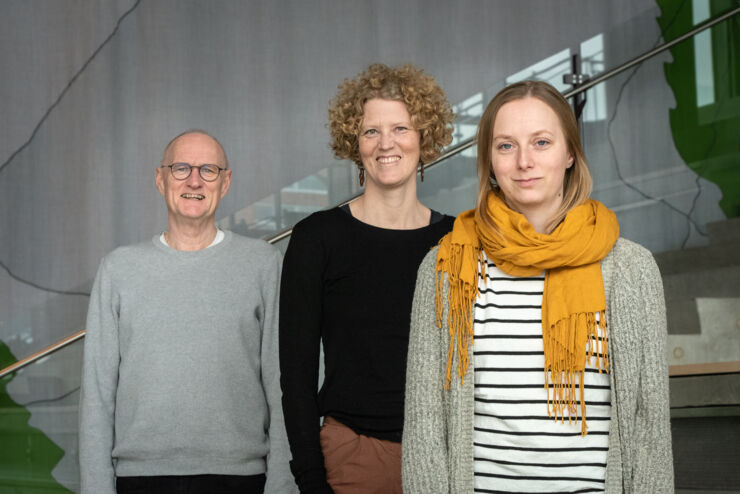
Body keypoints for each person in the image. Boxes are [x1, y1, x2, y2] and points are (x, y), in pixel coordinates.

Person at [402, 81, 674, 493]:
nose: (524, 161)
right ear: (490, 162)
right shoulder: (446, 267)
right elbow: (424, 426)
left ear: (570, 154)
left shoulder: (630, 271)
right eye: (506, 146)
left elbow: (649, 428)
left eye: (541, 142)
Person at [79, 130, 297, 494]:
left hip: (241, 479)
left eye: (208, 170)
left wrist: (282, 483)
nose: (194, 180)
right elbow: (97, 395)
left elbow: (282, 384)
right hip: (139, 479)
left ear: (225, 183)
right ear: (160, 179)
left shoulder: (263, 264)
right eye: (181, 168)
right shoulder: (118, 268)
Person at [279, 63, 456, 494]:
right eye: (370, 131)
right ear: (354, 143)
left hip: (448, 456)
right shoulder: (318, 238)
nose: (386, 144)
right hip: (353, 455)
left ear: (423, 137)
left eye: (400, 128)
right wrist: (310, 478)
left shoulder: (459, 238)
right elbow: (296, 375)